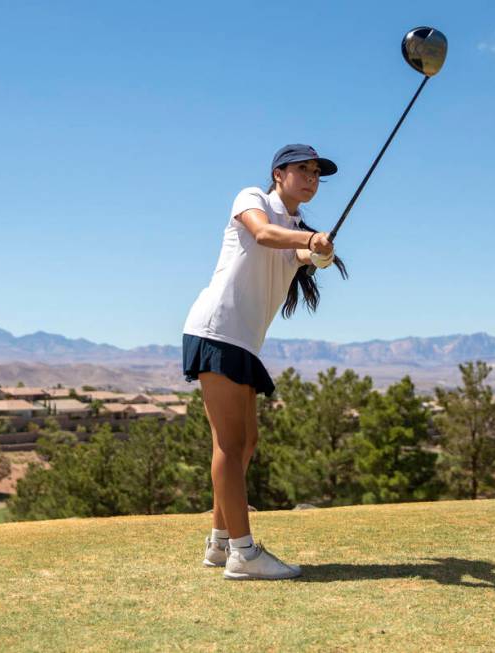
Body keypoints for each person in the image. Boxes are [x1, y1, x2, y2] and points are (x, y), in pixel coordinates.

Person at [182, 144, 346, 580]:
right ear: (279, 174)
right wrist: (311, 241)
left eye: (316, 173)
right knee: (229, 445)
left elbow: (311, 256)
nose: (311, 178)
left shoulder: (294, 229)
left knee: (246, 442)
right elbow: (264, 235)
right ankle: (244, 554)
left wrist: (322, 252)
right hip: (216, 331)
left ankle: (220, 543)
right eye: (302, 170)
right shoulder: (252, 200)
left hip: (242, 343)